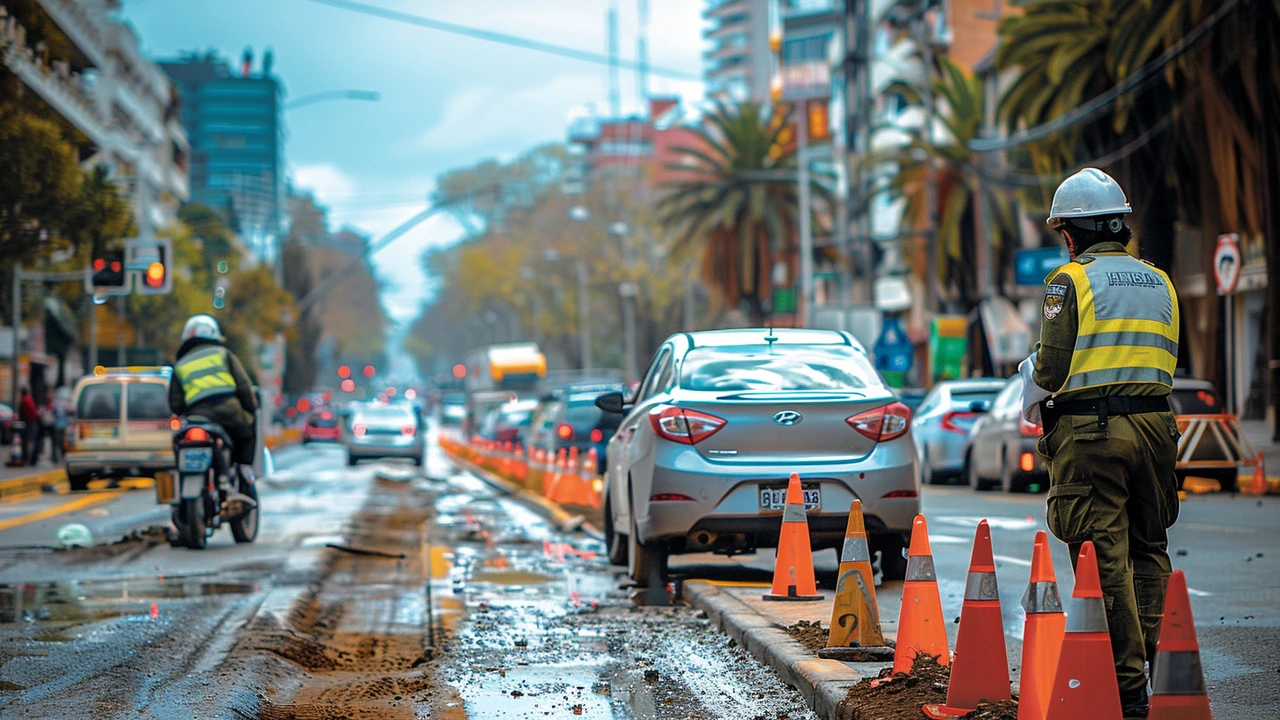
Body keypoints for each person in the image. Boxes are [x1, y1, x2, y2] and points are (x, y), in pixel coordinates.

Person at [1032, 168, 1181, 720]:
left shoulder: (1068, 282)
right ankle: (1167, 675)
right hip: (1156, 429)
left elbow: (1049, 369)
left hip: (1094, 434)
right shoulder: (1160, 281)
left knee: (1102, 557)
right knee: (1150, 549)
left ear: (1072, 233)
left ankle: (1128, 694)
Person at [169, 315, 258, 474]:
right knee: (246, 435)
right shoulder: (223, 354)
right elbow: (244, 387)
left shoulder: (180, 365)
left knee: (180, 444)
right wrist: (251, 409)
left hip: (197, 418)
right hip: (230, 412)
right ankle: (243, 473)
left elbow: (175, 403)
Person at [17, 387, 39, 466]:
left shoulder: (24, 400)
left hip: (28, 422)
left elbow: (21, 412)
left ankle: (26, 459)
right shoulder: (29, 399)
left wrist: (20, 418)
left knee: (26, 441)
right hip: (32, 421)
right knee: (30, 441)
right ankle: (31, 459)